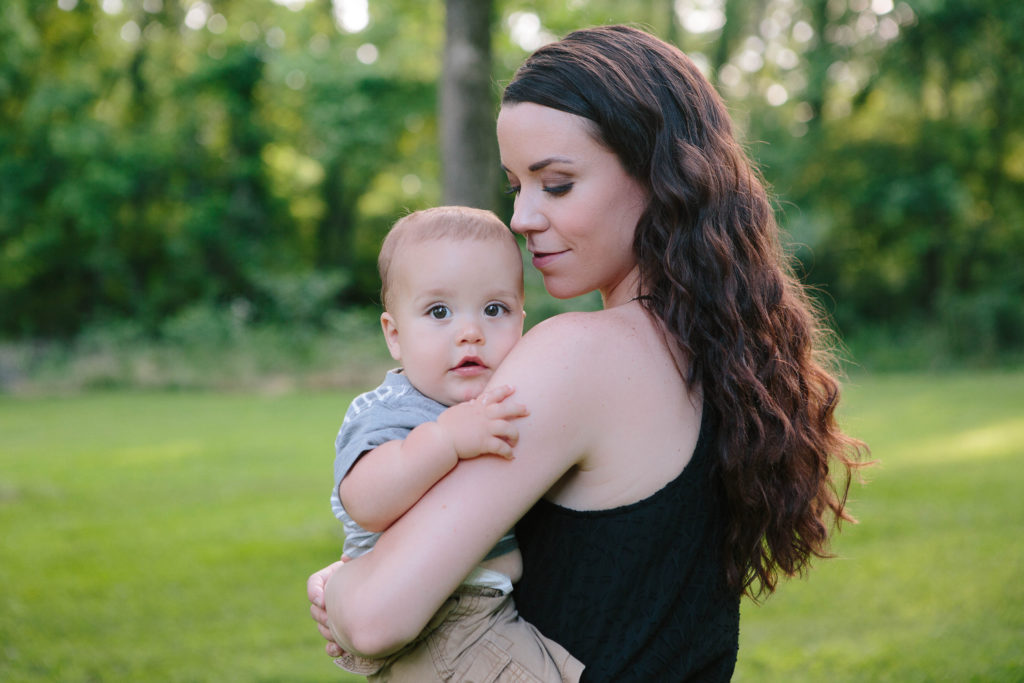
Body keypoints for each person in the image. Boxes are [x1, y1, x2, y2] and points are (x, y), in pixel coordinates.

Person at [309, 25, 866, 682]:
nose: (521, 217)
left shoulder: (578, 355)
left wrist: (337, 583)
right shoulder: (726, 355)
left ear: (660, 177)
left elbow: (377, 617)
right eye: (516, 184)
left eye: (558, 183)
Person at [327, 205, 584, 682]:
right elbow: (364, 501)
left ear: (521, 321)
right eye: (439, 312)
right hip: (445, 620)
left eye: (494, 310)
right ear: (395, 335)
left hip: (485, 611)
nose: (471, 332)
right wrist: (444, 440)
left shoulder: (503, 399)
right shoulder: (389, 410)